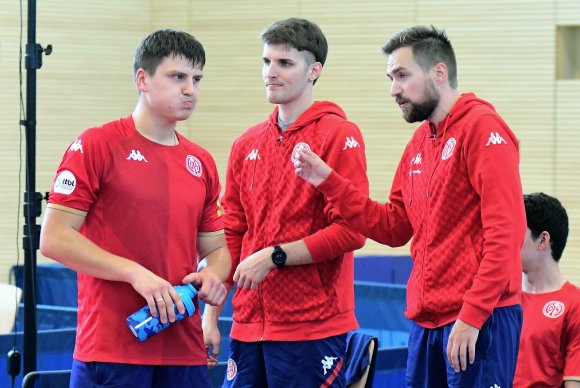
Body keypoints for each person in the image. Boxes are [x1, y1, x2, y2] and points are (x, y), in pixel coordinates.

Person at [295, 25, 526, 387]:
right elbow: (394, 226)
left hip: (480, 317)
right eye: (390, 78)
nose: (394, 89)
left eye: (402, 76)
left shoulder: (483, 129)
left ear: (439, 72)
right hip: (427, 322)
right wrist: (329, 180)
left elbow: (506, 233)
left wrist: (473, 314)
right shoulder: (419, 142)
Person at [39, 29, 231, 387]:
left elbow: (217, 249)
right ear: (142, 79)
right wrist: (135, 273)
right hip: (112, 350)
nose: (191, 90)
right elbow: (54, 238)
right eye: (177, 77)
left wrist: (213, 276)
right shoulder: (98, 144)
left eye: (197, 79)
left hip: (184, 351)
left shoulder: (200, 161)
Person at [202, 17, 369, 387]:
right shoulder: (245, 144)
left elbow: (352, 231)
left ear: (314, 71)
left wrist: (275, 255)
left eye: (284, 63)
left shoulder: (339, 134)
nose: (270, 73)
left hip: (312, 328)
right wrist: (210, 317)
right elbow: (232, 233)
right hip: (247, 328)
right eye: (266, 62)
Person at [513, 192, 580, 387]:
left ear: (542, 240)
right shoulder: (498, 296)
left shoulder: (574, 305)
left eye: (516, 232)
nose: (506, 241)